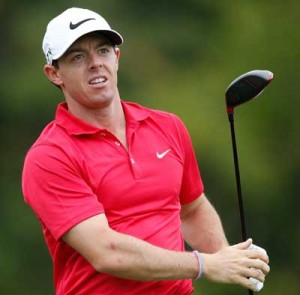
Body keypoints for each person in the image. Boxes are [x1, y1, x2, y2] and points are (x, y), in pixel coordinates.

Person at [22, 7, 270, 295]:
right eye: (78, 57)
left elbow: (191, 210)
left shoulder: (167, 126)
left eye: (103, 51)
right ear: (54, 74)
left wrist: (230, 260)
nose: (95, 64)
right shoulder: (49, 156)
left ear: (116, 58)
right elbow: (107, 252)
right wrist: (205, 264)